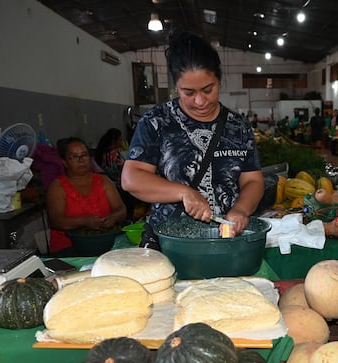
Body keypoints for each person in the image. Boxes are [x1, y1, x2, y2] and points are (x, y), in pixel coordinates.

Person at [121, 30, 263, 239]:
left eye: (208, 89)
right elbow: (131, 178)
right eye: (189, 92)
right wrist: (184, 193)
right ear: (176, 87)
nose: (200, 101)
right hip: (170, 240)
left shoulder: (238, 126)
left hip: (225, 237)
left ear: (219, 80)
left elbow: (253, 181)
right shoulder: (157, 121)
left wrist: (241, 209)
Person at [46, 137, 127, 254]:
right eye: (74, 157)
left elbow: (121, 210)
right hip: (69, 248)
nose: (81, 160)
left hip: (105, 242)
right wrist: (84, 221)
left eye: (84, 155)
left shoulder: (103, 181)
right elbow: (56, 221)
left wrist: (113, 218)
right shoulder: (57, 187)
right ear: (64, 162)